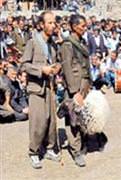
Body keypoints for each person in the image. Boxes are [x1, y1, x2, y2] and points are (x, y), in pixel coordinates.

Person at [21, 11, 62, 169]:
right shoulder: (33, 42)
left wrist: (56, 68)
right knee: (38, 121)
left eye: (54, 23)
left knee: (51, 120)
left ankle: (50, 148)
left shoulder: (52, 44)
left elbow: (57, 61)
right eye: (50, 22)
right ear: (41, 25)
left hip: (50, 87)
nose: (53, 25)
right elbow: (24, 65)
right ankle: (34, 152)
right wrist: (41, 69)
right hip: (36, 88)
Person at [59, 14, 90, 167]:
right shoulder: (67, 45)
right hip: (75, 87)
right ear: (73, 26)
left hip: (84, 85)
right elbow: (67, 69)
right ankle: (75, 151)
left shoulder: (81, 42)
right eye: (82, 26)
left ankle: (82, 143)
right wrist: (73, 91)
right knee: (73, 120)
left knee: (82, 116)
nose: (85, 28)